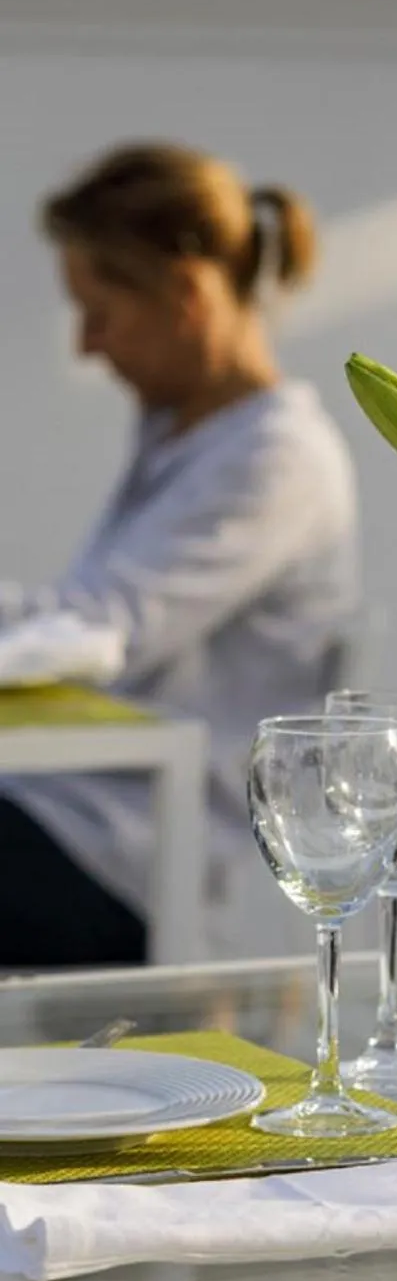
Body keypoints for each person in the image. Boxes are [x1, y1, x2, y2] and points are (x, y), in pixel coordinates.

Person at [0, 143, 359, 967]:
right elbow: (82, 614)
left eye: (100, 313)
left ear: (187, 296)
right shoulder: (185, 435)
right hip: (61, 814)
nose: (89, 347)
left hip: (128, 865)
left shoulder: (276, 459)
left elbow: (100, 634)